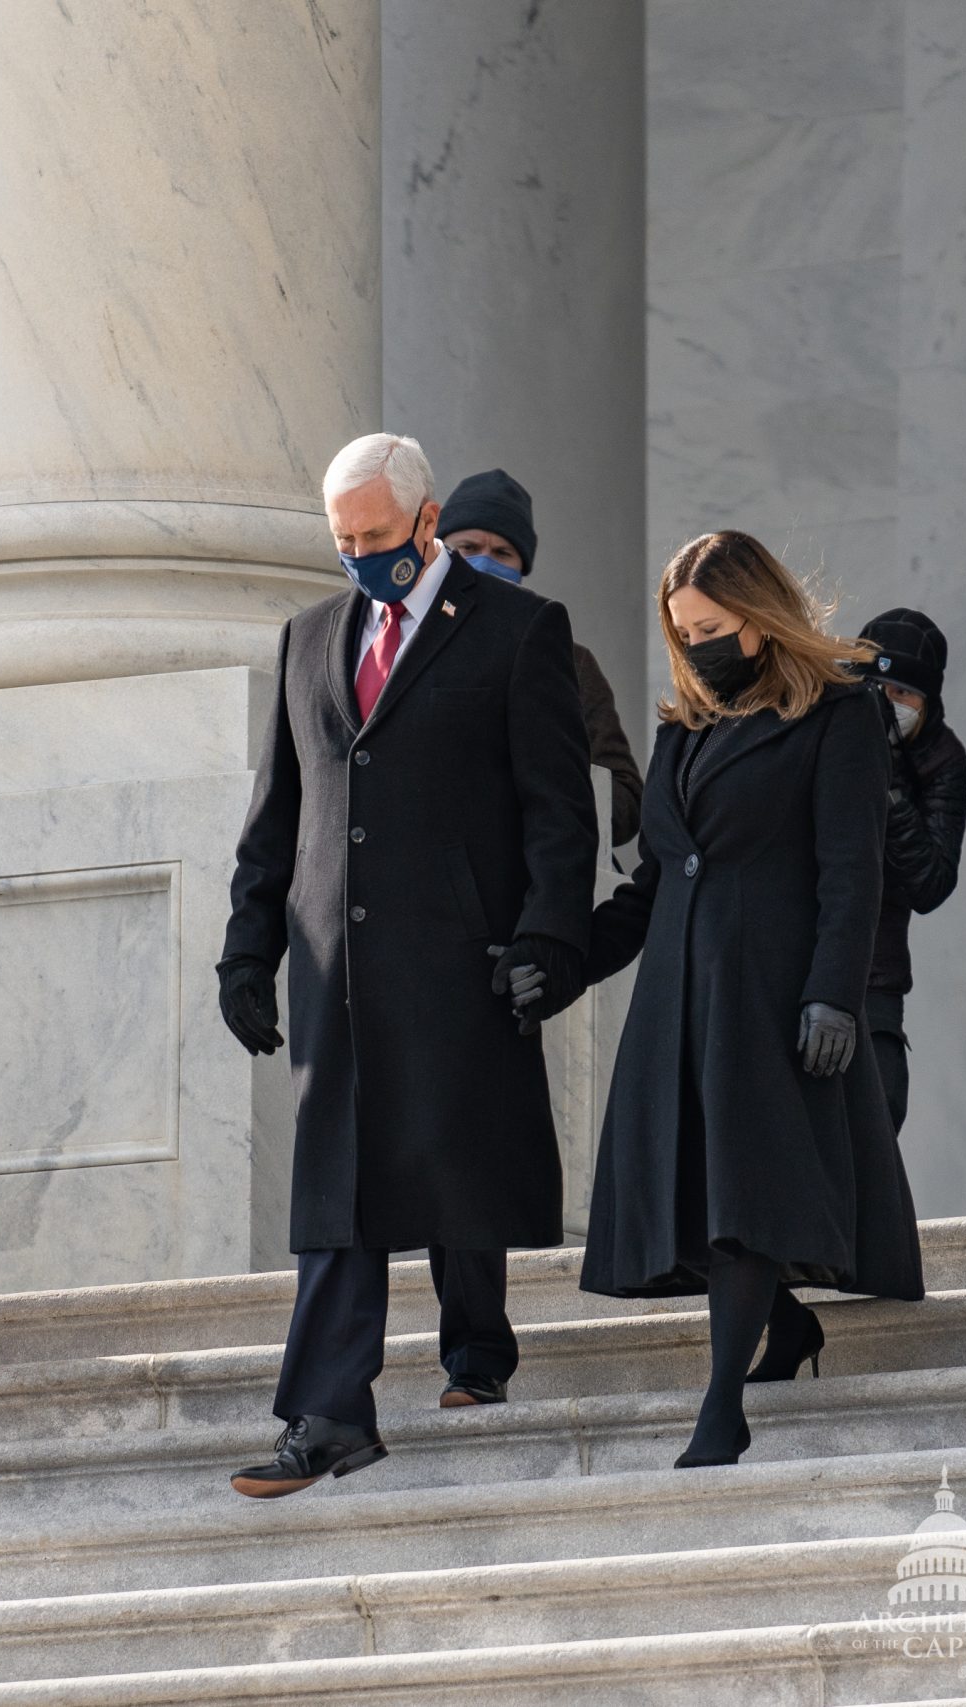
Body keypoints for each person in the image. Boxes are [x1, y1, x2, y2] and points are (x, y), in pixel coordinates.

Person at [220, 434, 599, 1498]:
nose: (358, 560)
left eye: (376, 539)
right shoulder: (307, 639)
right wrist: (246, 947)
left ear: (426, 522)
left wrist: (548, 938)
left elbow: (558, 816)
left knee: (450, 1171)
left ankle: (473, 1356)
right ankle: (329, 1413)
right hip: (333, 967)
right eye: (342, 543)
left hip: (454, 961)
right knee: (335, 1196)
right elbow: (275, 819)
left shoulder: (519, 633)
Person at [579, 531, 923, 1468]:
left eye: (713, 628)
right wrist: (566, 960)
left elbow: (852, 874)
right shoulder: (681, 730)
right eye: (682, 632)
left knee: (744, 1198)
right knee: (700, 1195)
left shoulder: (839, 715)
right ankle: (787, 1329)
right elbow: (655, 883)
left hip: (772, 999)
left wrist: (832, 998)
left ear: (761, 618)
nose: (696, 648)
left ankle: (721, 1407)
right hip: (676, 1004)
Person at [438, 469, 645, 847]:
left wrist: (548, 793)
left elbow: (626, 801)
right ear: (440, 552)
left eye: (502, 552)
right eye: (468, 548)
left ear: (522, 567)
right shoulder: (406, 648)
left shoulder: (570, 663)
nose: (485, 562)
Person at [855, 608, 966, 1132]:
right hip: (793, 957)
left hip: (876, 974)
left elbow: (931, 883)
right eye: (877, 688)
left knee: (878, 1116)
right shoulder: (820, 733)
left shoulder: (941, 758)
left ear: (928, 703)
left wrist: (890, 788)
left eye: (905, 695)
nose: (888, 705)